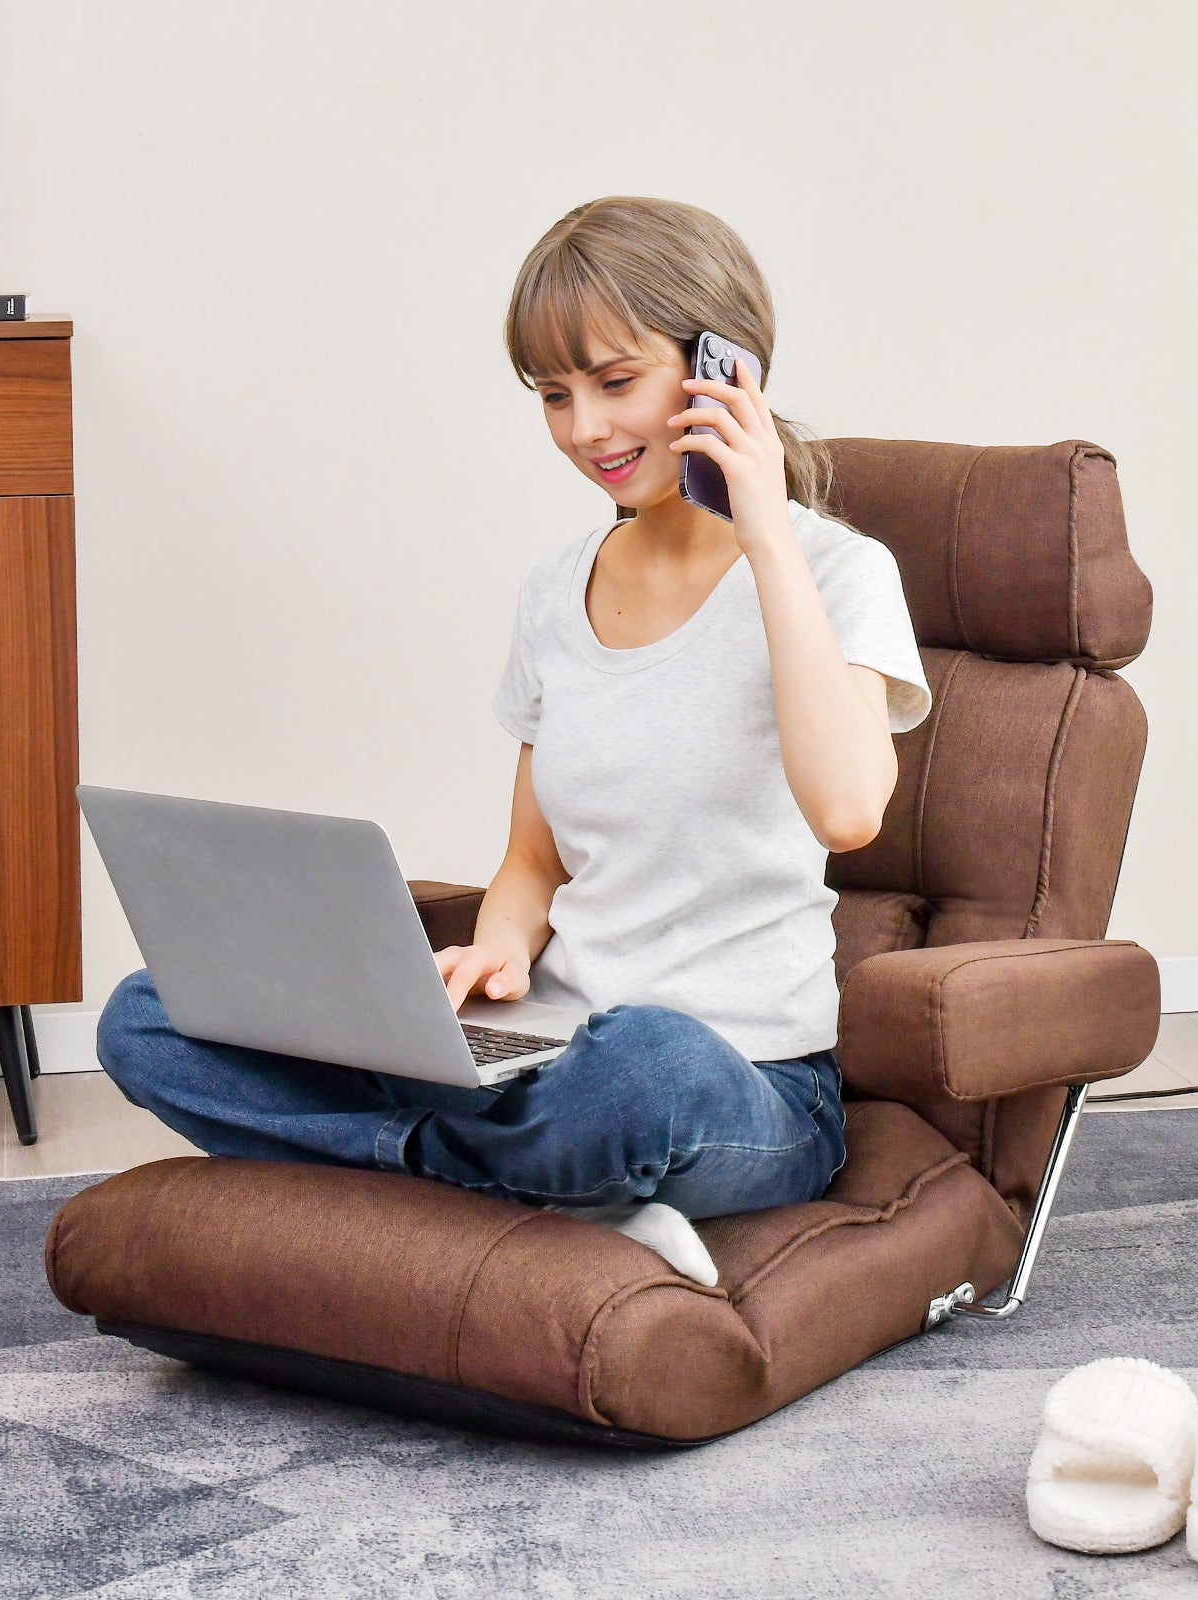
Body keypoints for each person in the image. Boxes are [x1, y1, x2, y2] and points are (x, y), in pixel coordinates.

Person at [96, 195, 932, 1288]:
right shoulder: (554, 591)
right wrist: (496, 955)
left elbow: (848, 809)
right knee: (148, 1014)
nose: (584, 430)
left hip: (738, 1082)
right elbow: (533, 862)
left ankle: (414, 1176)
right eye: (552, 394)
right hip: (546, 1058)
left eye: (614, 381)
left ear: (723, 370)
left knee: (641, 1063)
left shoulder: (834, 572)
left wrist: (764, 530)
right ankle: (546, 1194)